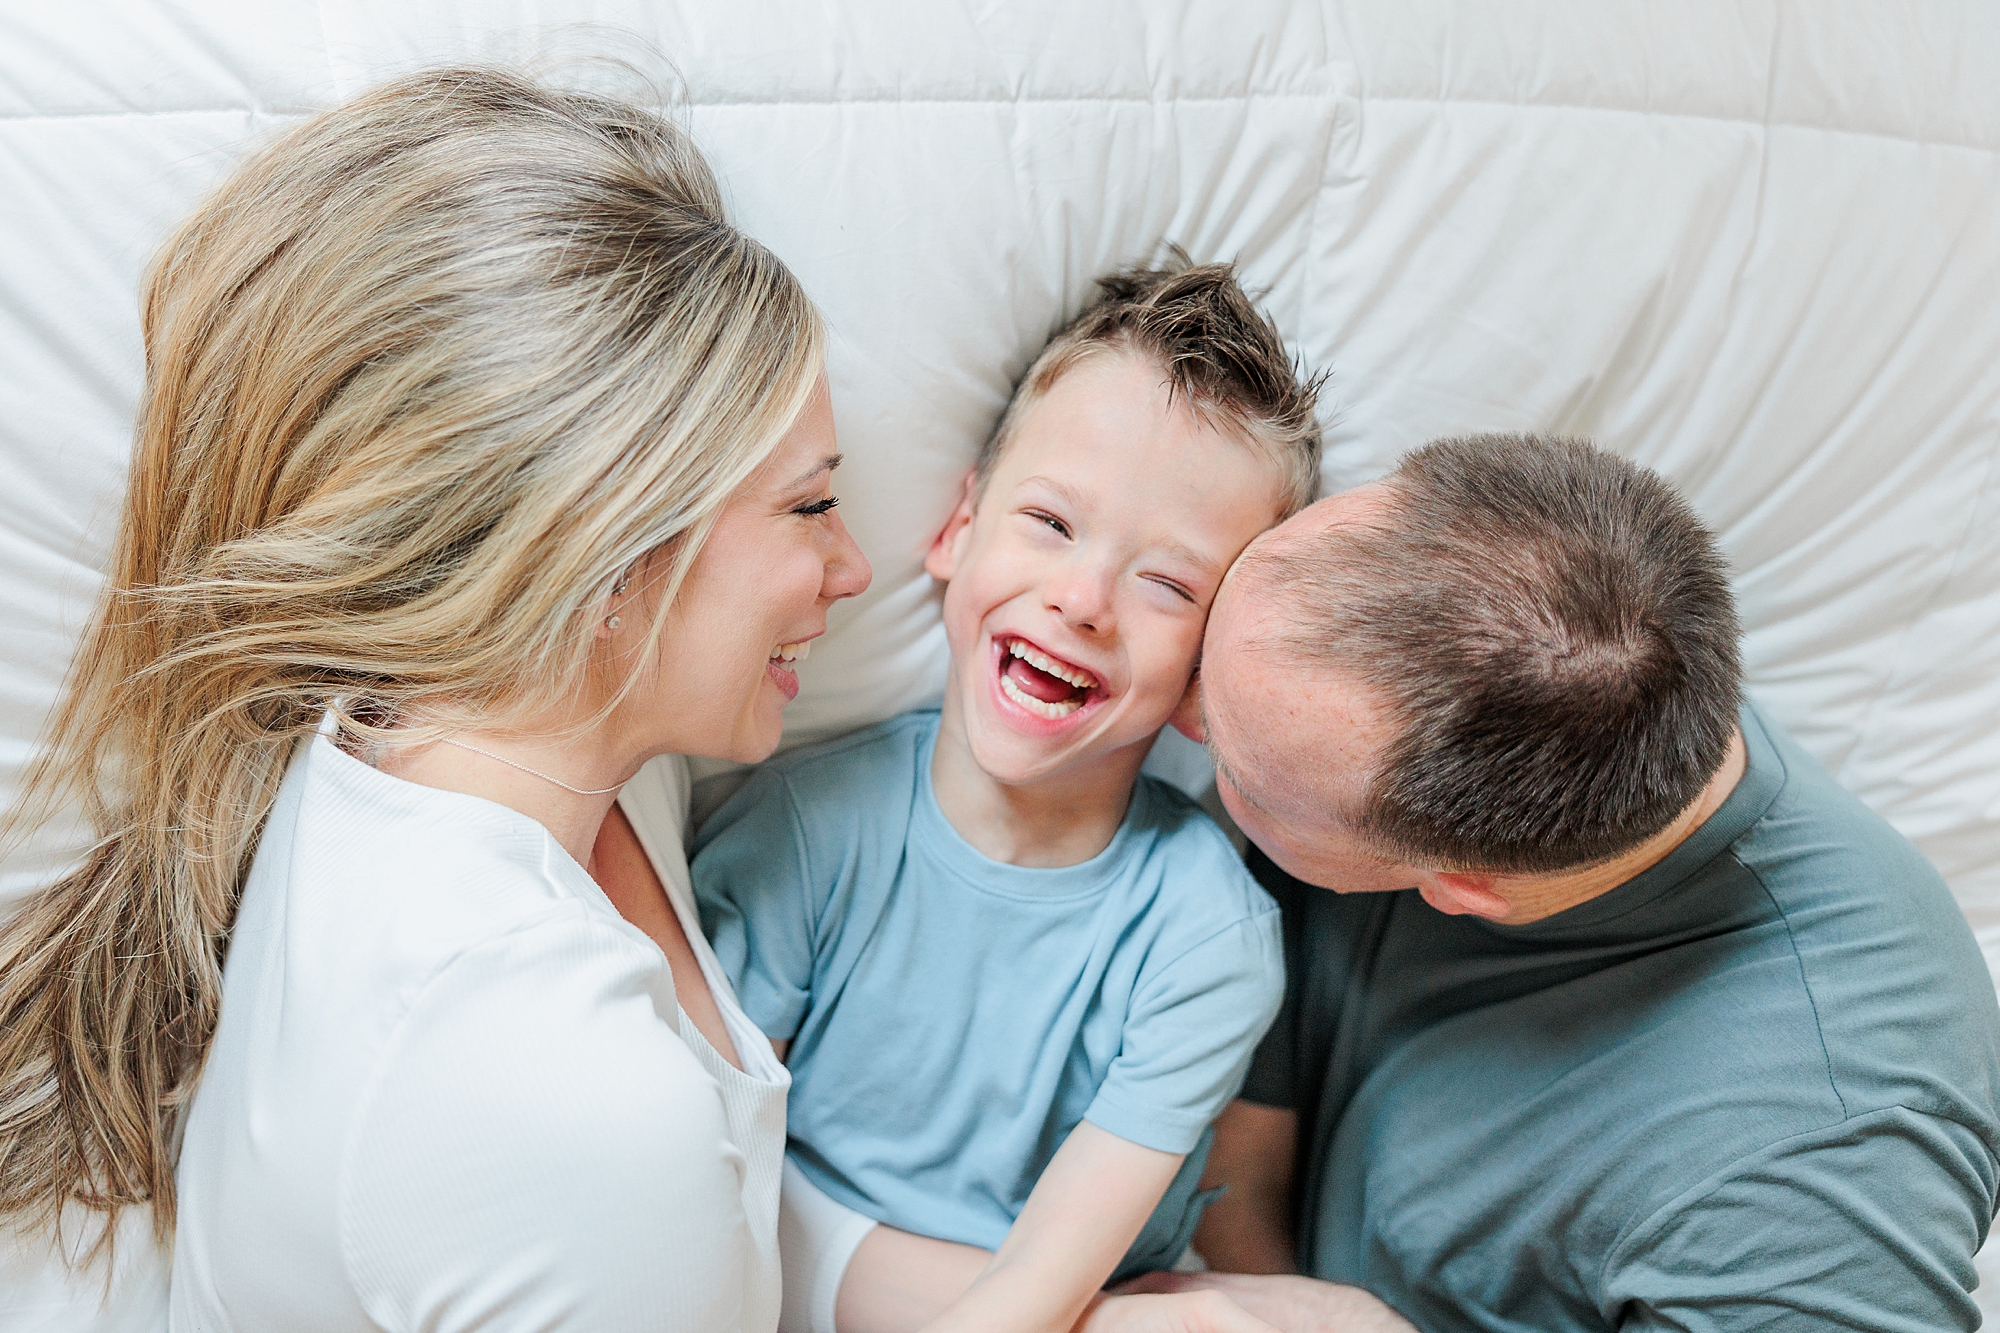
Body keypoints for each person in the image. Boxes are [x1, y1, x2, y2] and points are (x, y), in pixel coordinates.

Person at [0, 66, 872, 1331]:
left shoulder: (511, 746)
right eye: (808, 505)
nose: (851, 566)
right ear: (601, 554)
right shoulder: (551, 1081)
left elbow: (715, 1218)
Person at [1148, 434, 2000, 1332]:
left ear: (1468, 884)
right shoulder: (1578, 664)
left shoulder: (1809, 1183)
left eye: (1241, 769)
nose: (1178, 705)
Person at [684, 262, 1320, 1333]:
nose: (1081, 598)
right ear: (956, 532)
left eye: (1165, 584)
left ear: (1209, 671)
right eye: (1050, 522)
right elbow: (705, 1170)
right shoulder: (806, 829)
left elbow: (1042, 1288)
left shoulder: (1204, 934)